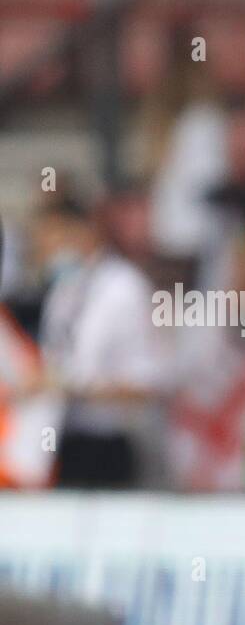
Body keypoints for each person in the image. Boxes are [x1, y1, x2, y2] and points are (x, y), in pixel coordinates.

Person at [34, 196, 175, 489]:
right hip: (62, 438)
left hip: (112, 445)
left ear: (84, 232)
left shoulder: (125, 289)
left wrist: (82, 388)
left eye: (53, 238)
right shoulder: (63, 292)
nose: (45, 250)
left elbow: (150, 382)